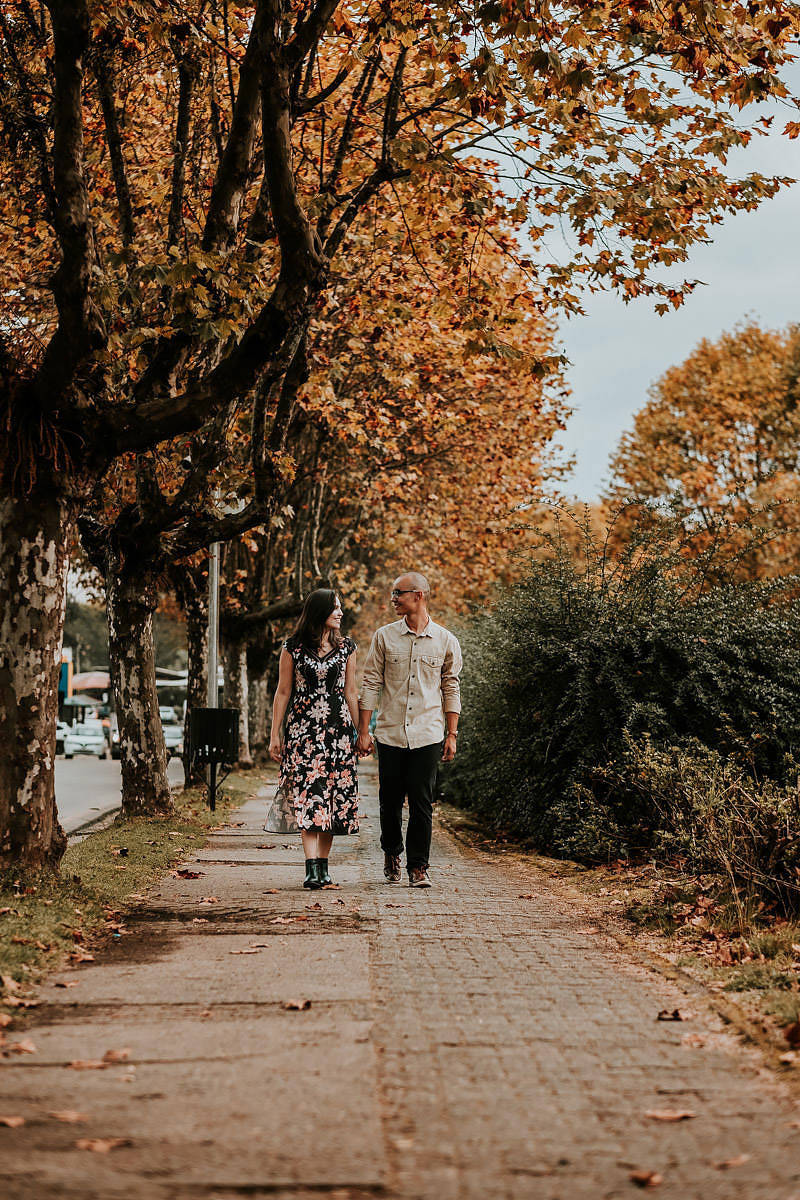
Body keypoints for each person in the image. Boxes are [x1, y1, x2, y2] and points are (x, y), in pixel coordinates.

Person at [358, 571, 462, 888]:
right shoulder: (384, 637)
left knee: (421, 800)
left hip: (428, 733)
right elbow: (371, 683)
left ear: (418, 595)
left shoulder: (446, 641)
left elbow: (451, 687)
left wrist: (452, 734)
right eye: (393, 593)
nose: (393, 599)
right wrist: (364, 731)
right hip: (389, 733)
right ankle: (392, 853)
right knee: (389, 801)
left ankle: (418, 866)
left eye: (398, 593)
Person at [267, 588, 360, 890]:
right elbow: (283, 692)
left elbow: (351, 693)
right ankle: (311, 868)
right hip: (302, 732)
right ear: (320, 611)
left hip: (338, 733)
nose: (340, 613)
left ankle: (324, 867)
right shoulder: (292, 648)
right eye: (335, 607)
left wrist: (362, 734)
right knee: (308, 795)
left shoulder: (348, 648)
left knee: (331, 797)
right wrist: (274, 735)